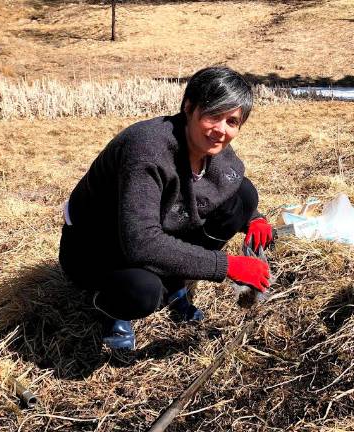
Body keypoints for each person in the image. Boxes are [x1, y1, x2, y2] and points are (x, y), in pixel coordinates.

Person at [59, 67, 274, 350]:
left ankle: (174, 281)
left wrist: (254, 219)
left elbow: (232, 188)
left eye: (232, 121)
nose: (221, 130)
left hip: (149, 228)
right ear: (189, 107)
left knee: (243, 195)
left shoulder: (212, 148)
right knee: (143, 292)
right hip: (96, 247)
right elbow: (141, 243)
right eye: (213, 115)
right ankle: (112, 309)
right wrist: (227, 265)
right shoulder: (147, 149)